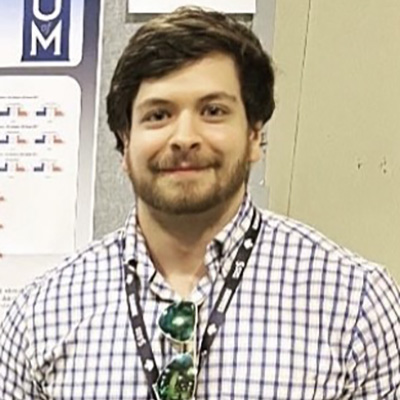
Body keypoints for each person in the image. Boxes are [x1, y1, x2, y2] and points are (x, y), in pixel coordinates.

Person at [1, 6, 399, 400]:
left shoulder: (356, 305)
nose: (184, 138)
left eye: (213, 111)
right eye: (159, 115)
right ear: (125, 143)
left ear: (254, 136)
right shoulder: (39, 315)